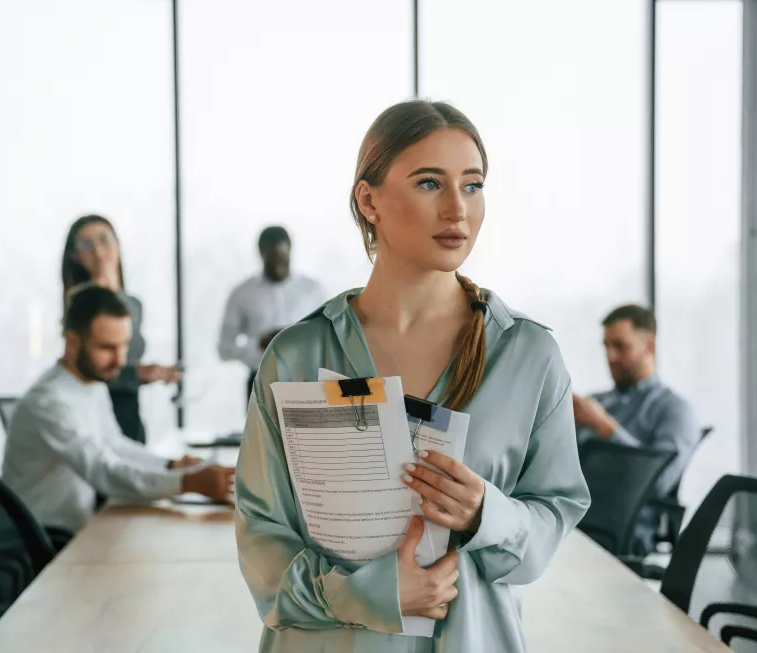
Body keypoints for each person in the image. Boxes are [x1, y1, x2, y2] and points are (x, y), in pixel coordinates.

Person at [234, 100, 590, 652]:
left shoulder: (529, 355)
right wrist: (375, 593)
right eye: (430, 183)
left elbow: (552, 520)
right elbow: (262, 544)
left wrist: (483, 514)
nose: (457, 208)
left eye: (472, 185)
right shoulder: (294, 357)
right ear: (368, 199)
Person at [2, 285, 234, 538]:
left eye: (123, 346)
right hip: (46, 540)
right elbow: (103, 470)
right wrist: (186, 482)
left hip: (78, 528)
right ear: (71, 342)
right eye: (107, 348)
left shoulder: (90, 383)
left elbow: (115, 445)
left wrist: (171, 464)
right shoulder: (50, 402)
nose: (121, 360)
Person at [572, 304, 701, 556]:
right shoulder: (596, 402)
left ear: (649, 346)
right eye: (606, 346)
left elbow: (660, 481)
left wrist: (604, 427)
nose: (610, 356)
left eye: (620, 346)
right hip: (571, 523)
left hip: (620, 536)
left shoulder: (674, 409)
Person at [62, 215, 180, 444]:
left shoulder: (134, 304)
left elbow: (127, 361)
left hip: (130, 410)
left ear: (117, 243)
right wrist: (135, 373)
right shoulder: (80, 302)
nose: (98, 251)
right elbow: (82, 371)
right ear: (75, 257)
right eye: (87, 245)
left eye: (104, 239)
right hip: (98, 412)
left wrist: (150, 373)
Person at [217, 226, 326, 402]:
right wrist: (259, 344)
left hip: (307, 381)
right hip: (261, 382)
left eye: (282, 258)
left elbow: (327, 338)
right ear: (261, 255)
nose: (278, 266)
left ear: (290, 253)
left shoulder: (312, 291)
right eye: (271, 260)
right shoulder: (242, 293)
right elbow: (224, 349)